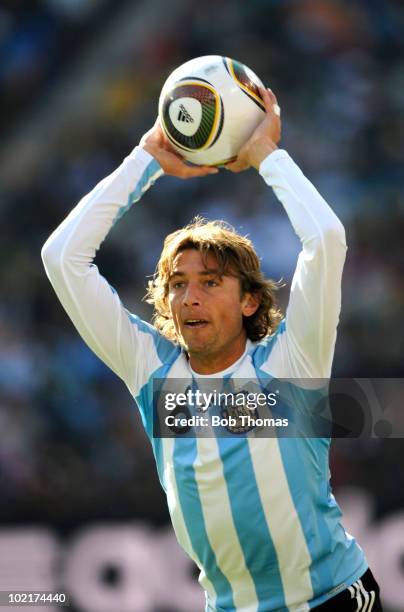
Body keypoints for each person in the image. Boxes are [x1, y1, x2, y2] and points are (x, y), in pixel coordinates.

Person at [42, 87, 382, 611]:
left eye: (210, 283)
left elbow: (326, 238)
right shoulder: (152, 372)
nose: (189, 297)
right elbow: (62, 257)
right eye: (177, 284)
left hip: (331, 598)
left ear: (249, 301)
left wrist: (267, 156)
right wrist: (147, 160)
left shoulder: (294, 362)